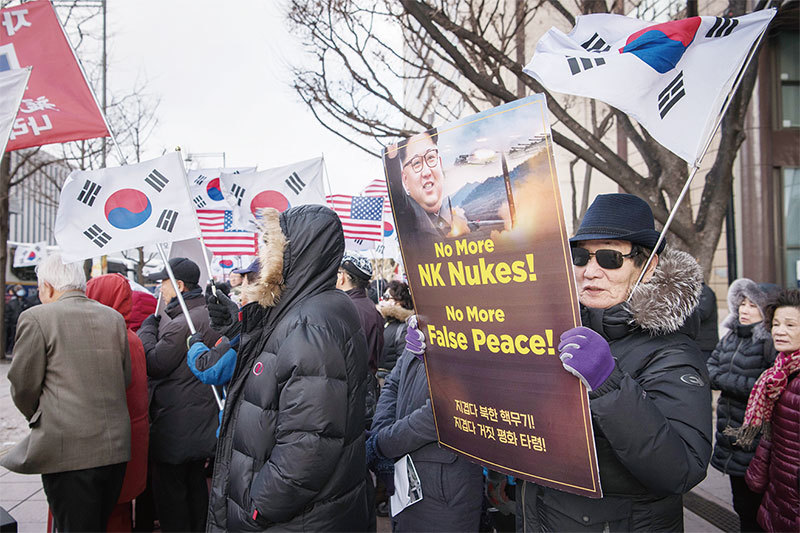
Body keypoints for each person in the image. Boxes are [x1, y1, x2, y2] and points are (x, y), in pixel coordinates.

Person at [517, 193, 712, 531]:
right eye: (580, 257)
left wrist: (609, 383)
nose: (591, 272)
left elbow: (681, 469)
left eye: (610, 258)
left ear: (647, 267)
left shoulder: (673, 353)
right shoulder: (554, 332)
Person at [207, 205, 369, 531]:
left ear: (298, 252)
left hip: (294, 519)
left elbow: (309, 446)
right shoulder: (312, 308)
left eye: (273, 246)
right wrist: (236, 324)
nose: (264, 255)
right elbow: (274, 359)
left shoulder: (311, 324)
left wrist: (258, 508)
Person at [0, 254, 131, 532]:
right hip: (115, 447)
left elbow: (22, 384)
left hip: (69, 450)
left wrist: (38, 415)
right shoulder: (113, 318)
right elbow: (125, 377)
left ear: (47, 287)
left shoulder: (37, 317)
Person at [368, 315, 484, 531]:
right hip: (405, 480)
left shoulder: (477, 332)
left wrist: (383, 443)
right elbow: (393, 383)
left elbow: (445, 410)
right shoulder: (423, 324)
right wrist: (380, 431)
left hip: (443, 490)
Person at [137, 257, 220, 532]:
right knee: (195, 487)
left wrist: (147, 329)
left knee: (172, 499)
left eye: (163, 283)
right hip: (200, 423)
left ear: (179, 285)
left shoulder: (181, 324)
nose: (160, 289)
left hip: (175, 426)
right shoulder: (208, 314)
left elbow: (154, 364)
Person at [706, 278, 778, 532]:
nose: (744, 310)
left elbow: (765, 385)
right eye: (743, 303)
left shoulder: (770, 342)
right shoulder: (731, 336)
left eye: (752, 305)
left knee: (758, 510)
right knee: (741, 506)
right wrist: (734, 382)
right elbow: (709, 370)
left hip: (756, 440)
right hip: (730, 436)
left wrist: (726, 381)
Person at [86, 274, 150, 532]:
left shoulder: (107, 339)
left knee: (108, 515)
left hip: (111, 444)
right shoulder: (130, 336)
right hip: (132, 438)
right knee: (120, 511)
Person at [739, 289, 800, 532]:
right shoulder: (781, 372)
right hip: (780, 489)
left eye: (790, 325)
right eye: (776, 324)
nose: (780, 331)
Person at [386, 128, 454, 240]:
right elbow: (396, 189)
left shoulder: (456, 210)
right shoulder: (410, 216)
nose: (426, 172)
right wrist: (391, 157)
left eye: (431, 157)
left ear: (440, 164)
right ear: (405, 180)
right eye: (416, 163)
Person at [377, 280, 414, 385]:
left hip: (388, 382)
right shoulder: (384, 321)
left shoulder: (404, 328)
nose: (382, 301)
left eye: (386, 297)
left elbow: (402, 365)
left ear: (399, 302)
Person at [696, 282, 720, 361]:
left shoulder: (705, 291)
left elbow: (702, 313)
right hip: (696, 344)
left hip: (705, 345)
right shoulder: (692, 291)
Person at [4, 284, 31, 353]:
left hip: (23, 323)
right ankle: (10, 349)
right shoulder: (12, 302)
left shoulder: (27, 302)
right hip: (13, 323)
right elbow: (8, 313)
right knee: (12, 337)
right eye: (18, 290)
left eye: (20, 289)